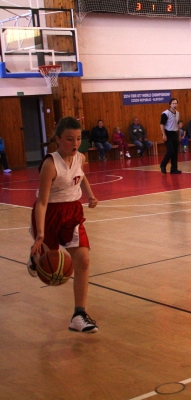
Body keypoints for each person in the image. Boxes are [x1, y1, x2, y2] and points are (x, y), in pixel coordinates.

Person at [27, 116, 99, 333]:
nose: (75, 143)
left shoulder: (81, 158)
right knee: (47, 261)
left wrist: (90, 195)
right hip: (49, 214)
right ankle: (35, 257)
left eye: (78, 139)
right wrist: (40, 234)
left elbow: (81, 176)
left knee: (83, 259)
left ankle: (79, 315)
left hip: (72, 213)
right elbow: (41, 202)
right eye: (70, 139)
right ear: (58, 139)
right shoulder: (50, 164)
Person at [159, 98, 181, 174]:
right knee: (170, 151)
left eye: (176, 103)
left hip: (174, 133)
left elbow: (177, 124)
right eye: (173, 103)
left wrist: (179, 135)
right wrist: (164, 134)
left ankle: (174, 168)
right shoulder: (165, 113)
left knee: (175, 152)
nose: (174, 105)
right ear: (170, 104)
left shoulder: (178, 113)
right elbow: (162, 124)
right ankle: (163, 165)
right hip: (167, 133)